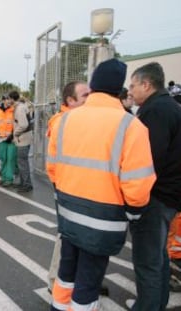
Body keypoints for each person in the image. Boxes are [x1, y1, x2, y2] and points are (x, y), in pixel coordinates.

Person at [47, 59, 156, 311]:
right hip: (103, 220)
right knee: (88, 281)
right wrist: (133, 213)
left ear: (94, 86)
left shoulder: (63, 120)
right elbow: (138, 185)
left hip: (68, 213)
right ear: (120, 89)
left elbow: (52, 169)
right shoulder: (131, 125)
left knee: (66, 273)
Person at [126, 62, 181, 310]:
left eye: (133, 85)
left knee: (147, 260)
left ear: (146, 84)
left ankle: (147, 306)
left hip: (156, 197)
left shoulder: (155, 111)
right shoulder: (170, 107)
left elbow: (148, 159)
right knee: (159, 256)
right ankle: (156, 303)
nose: (130, 91)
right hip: (170, 196)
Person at [46, 81, 90, 292]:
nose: (90, 99)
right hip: (67, 189)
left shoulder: (75, 119)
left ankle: (73, 280)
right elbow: (55, 164)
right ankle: (57, 280)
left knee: (75, 235)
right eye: (84, 96)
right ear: (70, 101)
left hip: (77, 188)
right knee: (68, 235)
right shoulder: (63, 122)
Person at [10, 91, 33, 193]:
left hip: (23, 138)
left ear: (11, 98)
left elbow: (23, 125)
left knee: (22, 163)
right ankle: (24, 183)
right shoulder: (22, 106)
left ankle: (27, 185)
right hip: (25, 138)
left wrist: (15, 133)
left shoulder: (19, 108)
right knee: (22, 162)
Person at [0, 95, 16, 187]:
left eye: (9, 99)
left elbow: (17, 124)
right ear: (3, 100)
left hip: (11, 139)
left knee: (10, 158)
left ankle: (9, 178)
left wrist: (12, 135)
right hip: (1, 138)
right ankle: (3, 177)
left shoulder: (14, 110)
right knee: (3, 158)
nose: (8, 101)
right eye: (6, 99)